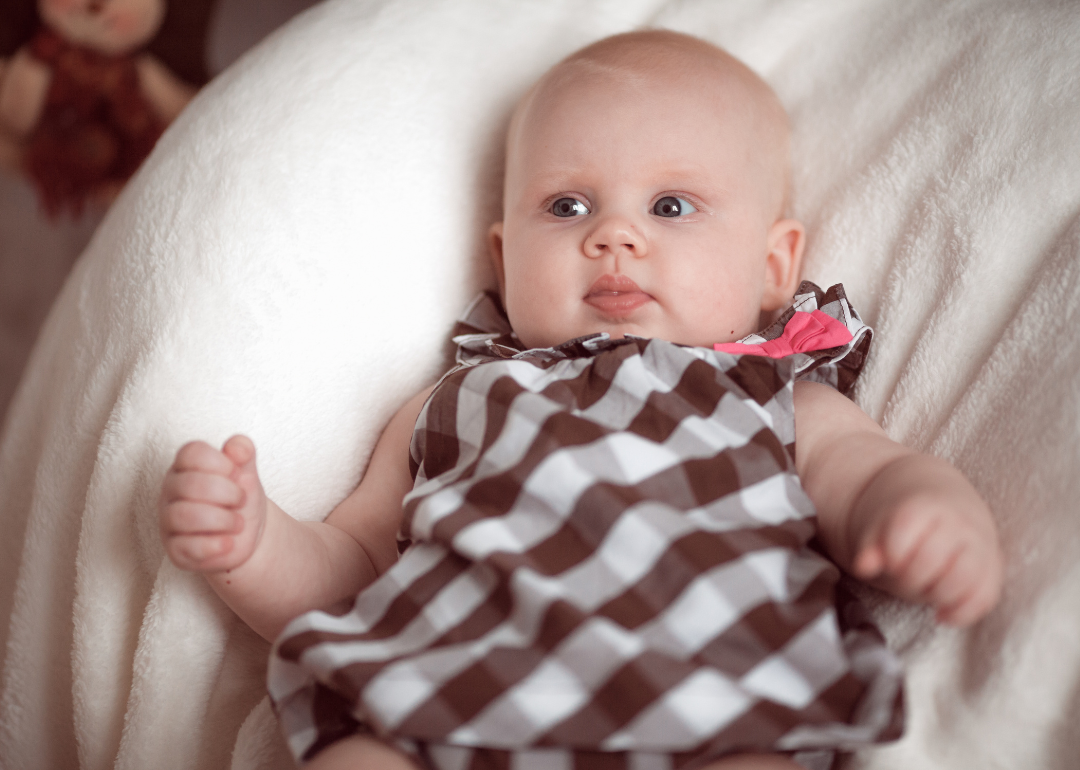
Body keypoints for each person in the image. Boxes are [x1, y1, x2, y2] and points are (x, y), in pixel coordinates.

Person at [157, 30, 1003, 770]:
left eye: (672, 206)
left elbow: (868, 477)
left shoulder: (769, 395)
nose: (614, 235)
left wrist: (926, 511)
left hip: (715, 699)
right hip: (446, 701)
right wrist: (255, 544)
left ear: (773, 266)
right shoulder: (455, 402)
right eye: (567, 205)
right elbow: (352, 571)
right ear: (502, 254)